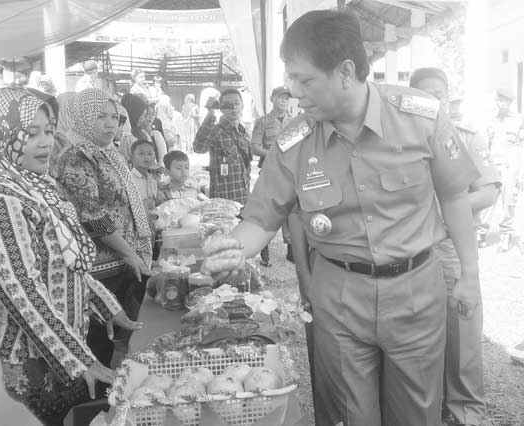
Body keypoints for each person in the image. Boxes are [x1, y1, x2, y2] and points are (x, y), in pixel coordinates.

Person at [200, 10, 481, 426]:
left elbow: (455, 194)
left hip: (416, 293)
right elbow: (260, 220)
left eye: (305, 80)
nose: (294, 91)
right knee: (349, 415)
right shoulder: (295, 142)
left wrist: (470, 276)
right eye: (291, 79)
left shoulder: (419, 117)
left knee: (417, 413)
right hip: (339, 296)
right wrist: (232, 249)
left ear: (346, 72)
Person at [0, 87, 142, 425]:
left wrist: (109, 307)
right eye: (31, 133)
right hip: (17, 368)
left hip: (53, 357)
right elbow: (20, 291)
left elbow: (66, 264)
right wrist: (81, 360)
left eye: (49, 131)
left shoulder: (36, 187)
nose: (45, 143)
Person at [410, 67, 500, 426]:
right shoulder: (402, 140)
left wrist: (447, 210)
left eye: (439, 94)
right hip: (412, 252)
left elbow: (489, 191)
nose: (433, 101)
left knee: (462, 330)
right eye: (424, 95)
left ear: (447, 97)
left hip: (451, 247)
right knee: (419, 332)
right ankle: (430, 405)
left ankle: (466, 410)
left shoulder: (465, 137)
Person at [54, 88, 153, 369]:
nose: (111, 124)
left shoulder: (105, 153)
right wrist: (129, 252)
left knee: (116, 342)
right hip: (98, 269)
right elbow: (92, 215)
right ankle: (98, 395)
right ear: (83, 117)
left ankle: (113, 385)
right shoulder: (76, 156)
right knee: (98, 343)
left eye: (114, 117)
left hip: (118, 263)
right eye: (100, 116)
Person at [251, 86, 294, 266]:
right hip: (269, 171)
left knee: (291, 211)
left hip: (290, 173)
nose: (283, 101)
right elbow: (255, 147)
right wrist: (274, 155)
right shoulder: (262, 122)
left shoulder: (295, 121)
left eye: (286, 98)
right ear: (272, 99)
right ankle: (264, 253)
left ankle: (292, 251)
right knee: (267, 211)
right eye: (280, 97)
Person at [193, 88, 252, 205]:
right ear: (221, 108)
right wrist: (210, 114)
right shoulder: (215, 131)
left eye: (236, 103)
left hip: (243, 199)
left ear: (242, 106)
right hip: (222, 202)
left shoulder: (244, 133)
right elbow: (198, 148)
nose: (233, 108)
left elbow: (247, 169)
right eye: (228, 105)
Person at [485, 88, 524, 251]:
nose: (502, 104)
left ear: (510, 102)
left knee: (509, 201)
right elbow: (487, 145)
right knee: (488, 199)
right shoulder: (491, 120)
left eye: (505, 101)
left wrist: (520, 172)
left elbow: (521, 146)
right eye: (500, 100)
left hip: (510, 166)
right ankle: (481, 233)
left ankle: (505, 235)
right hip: (494, 165)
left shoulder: (519, 120)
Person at [122, 93, 168, 167]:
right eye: (143, 115)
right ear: (135, 114)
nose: (143, 119)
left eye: (153, 114)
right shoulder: (126, 136)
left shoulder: (145, 134)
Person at [130, 139, 159, 214]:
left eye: (150, 154)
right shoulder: (129, 180)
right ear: (132, 157)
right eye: (141, 154)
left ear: (154, 158)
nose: (146, 157)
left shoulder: (153, 180)